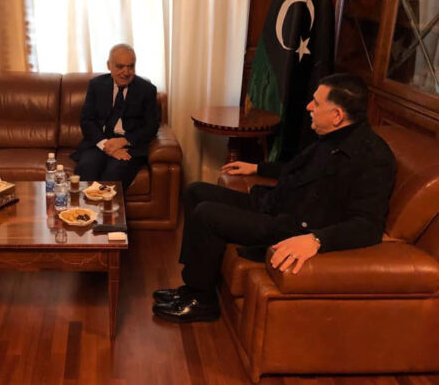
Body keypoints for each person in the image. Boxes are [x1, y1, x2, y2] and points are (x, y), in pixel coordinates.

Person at [152, 73, 396, 323]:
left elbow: (369, 225)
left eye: (316, 102)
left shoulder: (373, 157)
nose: (308, 107)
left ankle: (202, 301)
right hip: (274, 204)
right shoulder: (334, 137)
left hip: (291, 226)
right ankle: (193, 285)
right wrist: (257, 168)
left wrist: (317, 239)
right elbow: (299, 171)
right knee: (195, 191)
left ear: (337, 115)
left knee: (207, 214)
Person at [73, 44, 160, 190]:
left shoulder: (147, 90)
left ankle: (107, 206)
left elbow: (152, 126)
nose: (126, 72)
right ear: (109, 65)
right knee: (87, 168)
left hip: (129, 146)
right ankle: (85, 206)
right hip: (99, 143)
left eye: (131, 67)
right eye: (120, 67)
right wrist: (106, 145)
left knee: (113, 175)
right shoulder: (96, 85)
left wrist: (124, 141)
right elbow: (87, 120)